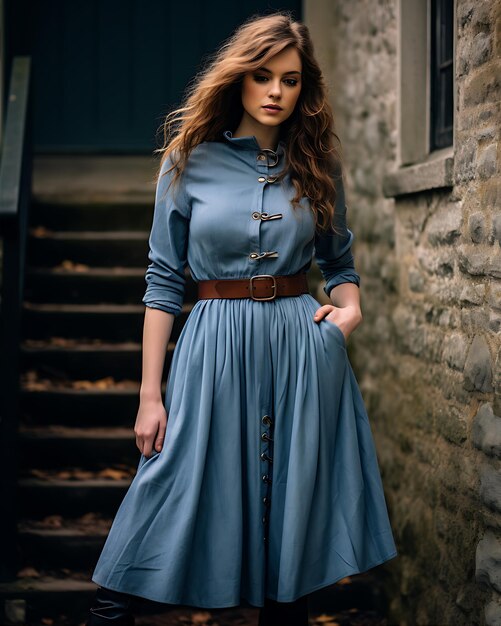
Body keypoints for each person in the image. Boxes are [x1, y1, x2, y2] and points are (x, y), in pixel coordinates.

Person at [85, 11, 398, 626]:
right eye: (262, 76)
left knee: (294, 526)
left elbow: (339, 260)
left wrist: (350, 309)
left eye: (290, 79)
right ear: (239, 79)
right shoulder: (186, 160)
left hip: (299, 348)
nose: (276, 92)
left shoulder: (319, 164)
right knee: (165, 494)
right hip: (212, 347)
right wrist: (150, 395)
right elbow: (163, 282)